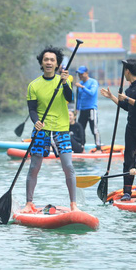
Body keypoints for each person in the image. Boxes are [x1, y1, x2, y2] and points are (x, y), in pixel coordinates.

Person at [22, 46, 78, 212]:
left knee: (68, 166)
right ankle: (28, 203)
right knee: (34, 167)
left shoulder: (66, 80)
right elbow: (32, 109)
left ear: (57, 64)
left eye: (52, 60)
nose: (48, 62)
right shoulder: (33, 85)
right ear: (41, 63)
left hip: (61, 129)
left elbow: (70, 98)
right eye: (46, 59)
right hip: (42, 130)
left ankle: (73, 204)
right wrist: (36, 121)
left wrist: (64, 83)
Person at [100, 58, 136, 200]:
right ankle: (127, 192)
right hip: (131, 128)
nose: (124, 73)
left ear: (127, 71)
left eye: (124, 70)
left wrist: (127, 98)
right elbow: (127, 107)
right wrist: (112, 96)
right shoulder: (129, 89)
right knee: (129, 160)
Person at [74, 65, 101, 150]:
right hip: (82, 110)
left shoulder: (93, 82)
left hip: (91, 109)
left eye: (81, 74)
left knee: (94, 129)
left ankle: (98, 146)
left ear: (86, 73)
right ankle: (81, 145)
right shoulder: (80, 84)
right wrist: (76, 109)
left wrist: (82, 87)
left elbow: (92, 93)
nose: (80, 76)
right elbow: (78, 98)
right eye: (79, 74)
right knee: (80, 128)